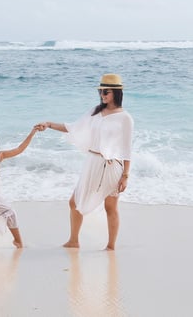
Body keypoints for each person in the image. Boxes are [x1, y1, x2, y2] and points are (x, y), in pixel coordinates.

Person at [39, 73, 133, 250]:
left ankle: (111, 246)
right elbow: (72, 127)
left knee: (111, 207)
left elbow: (127, 149)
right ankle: (73, 241)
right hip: (92, 163)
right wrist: (49, 124)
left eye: (106, 91)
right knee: (74, 202)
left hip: (111, 166)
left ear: (116, 92)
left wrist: (125, 176)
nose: (102, 95)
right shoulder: (95, 111)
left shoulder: (125, 118)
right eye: (100, 91)